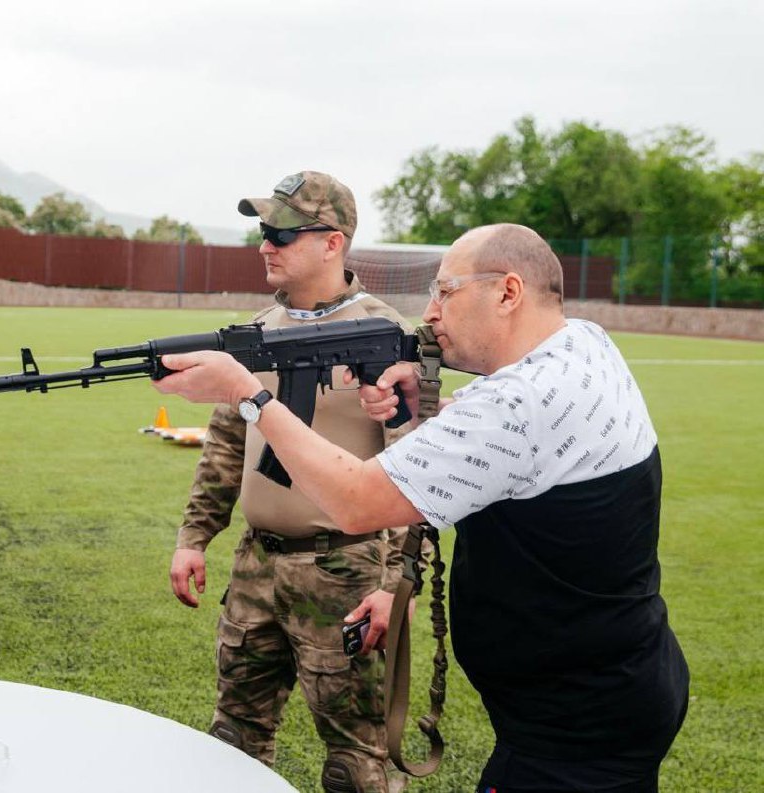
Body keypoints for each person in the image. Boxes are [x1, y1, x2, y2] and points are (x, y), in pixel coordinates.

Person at [156, 223, 690, 793]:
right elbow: (499, 440)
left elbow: (358, 501)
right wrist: (423, 408)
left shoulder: (514, 402)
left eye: (446, 291)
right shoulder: (585, 341)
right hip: (626, 675)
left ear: (508, 293)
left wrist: (250, 396)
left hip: (572, 722)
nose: (430, 312)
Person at [169, 170, 414, 793]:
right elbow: (226, 444)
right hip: (257, 566)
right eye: (262, 231)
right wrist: (194, 536)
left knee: (354, 764)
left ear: (333, 243)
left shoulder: (389, 338)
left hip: (348, 573)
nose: (265, 245)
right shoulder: (255, 332)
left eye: (280, 232)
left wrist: (394, 588)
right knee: (232, 742)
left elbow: (422, 478)